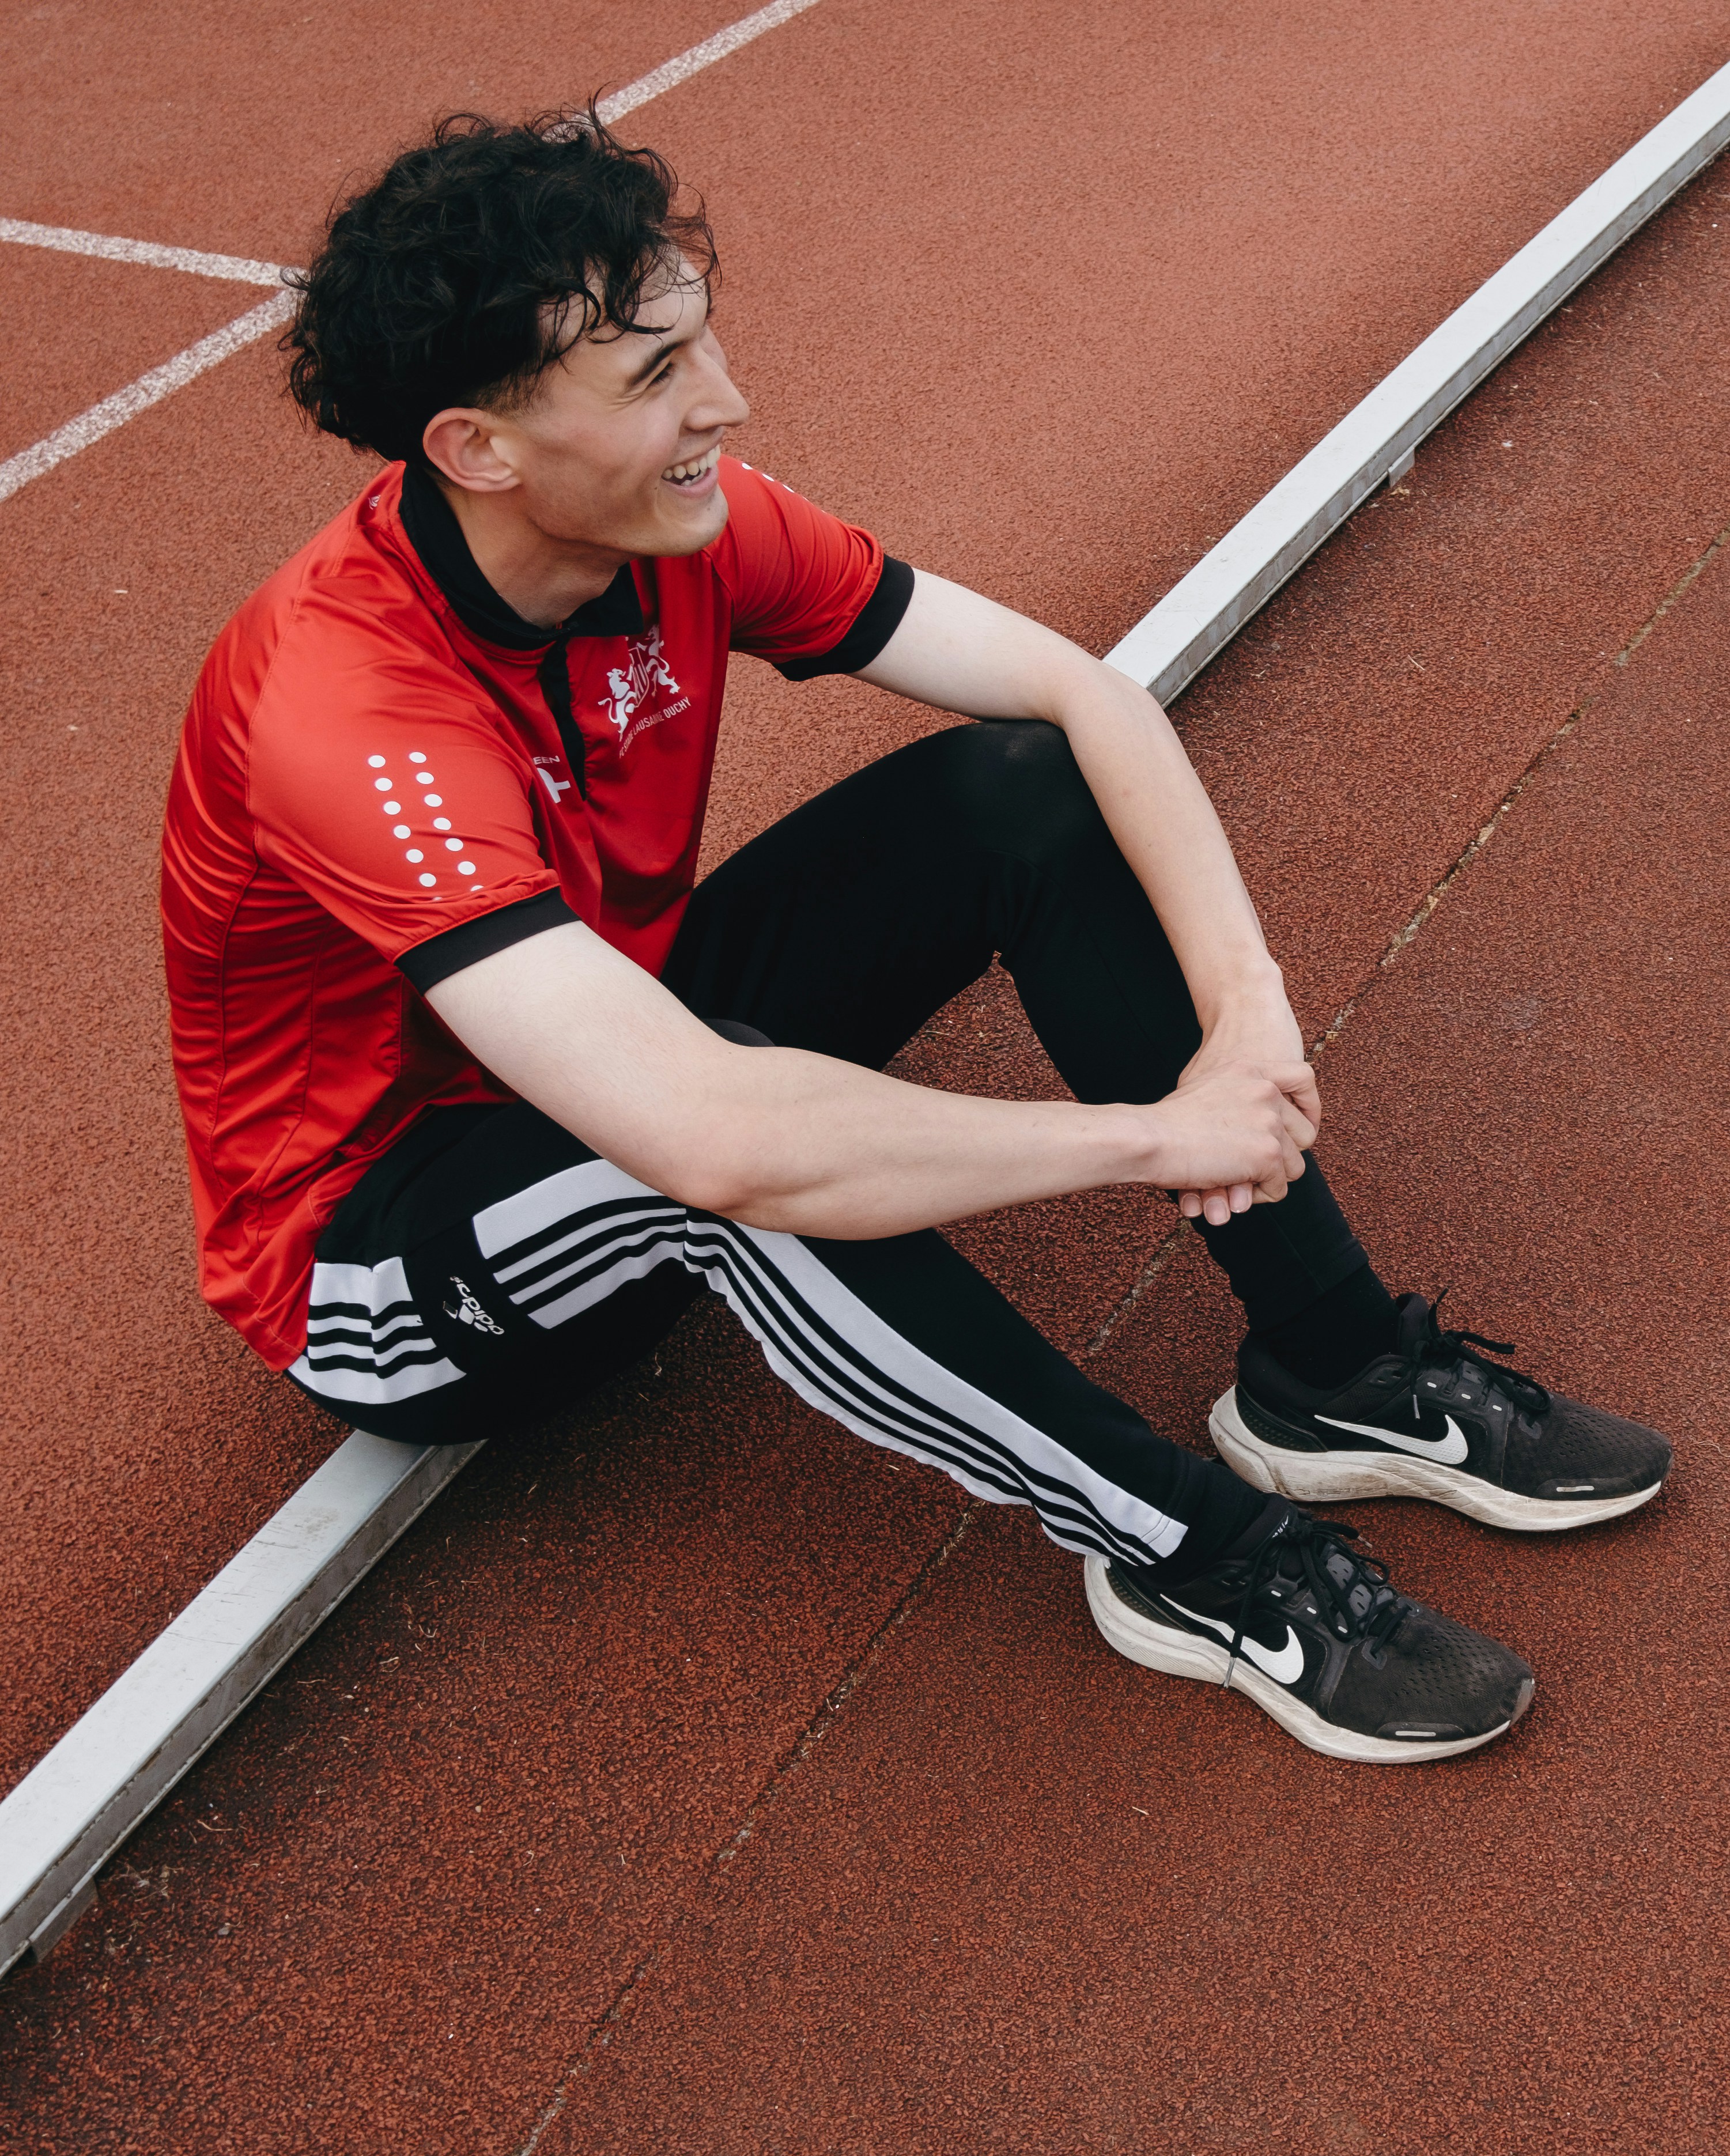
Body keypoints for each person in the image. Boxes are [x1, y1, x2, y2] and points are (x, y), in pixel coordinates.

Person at [160, 109, 1671, 1768]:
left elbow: (1079, 696)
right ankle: (1197, 1561)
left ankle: (1329, 1370)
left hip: (630, 1034)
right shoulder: (338, 711)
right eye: (656, 372)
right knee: (723, 1146)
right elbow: (714, 1137)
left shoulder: (683, 520)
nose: (722, 401)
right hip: (384, 1257)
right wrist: (1149, 1137)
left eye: (699, 337)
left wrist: (1246, 1015)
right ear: (478, 448)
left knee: (1016, 792)